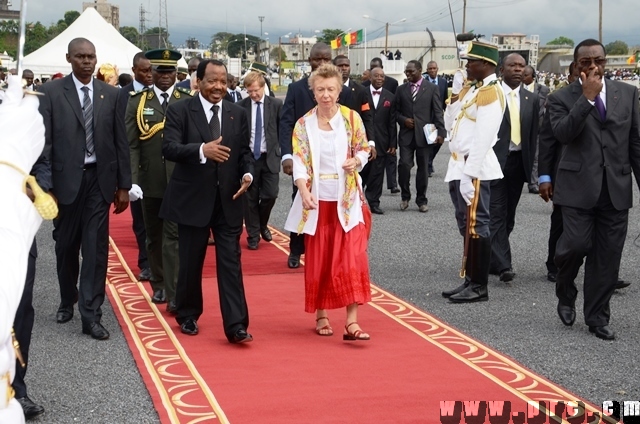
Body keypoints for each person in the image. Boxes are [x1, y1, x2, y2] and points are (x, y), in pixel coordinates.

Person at [544, 39, 640, 340]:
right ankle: (565, 288)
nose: (593, 66)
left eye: (598, 60)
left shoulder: (628, 93)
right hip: (576, 189)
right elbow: (562, 134)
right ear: (576, 66)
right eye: (586, 61)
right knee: (574, 245)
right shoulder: (560, 98)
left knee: (607, 257)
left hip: (616, 189)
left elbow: (635, 143)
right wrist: (585, 99)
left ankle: (597, 316)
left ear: (606, 61)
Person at [38, 37, 131, 340]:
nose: (87, 61)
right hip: (64, 183)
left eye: (91, 56)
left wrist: (123, 185)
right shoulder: (51, 93)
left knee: (95, 249)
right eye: (80, 56)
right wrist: (45, 186)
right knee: (66, 247)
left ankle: (91, 314)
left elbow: (121, 142)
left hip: (98, 181)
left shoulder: (111, 95)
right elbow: (45, 144)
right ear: (69, 59)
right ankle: (68, 299)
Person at [159, 59, 254, 343]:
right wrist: (202, 150)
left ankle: (236, 325)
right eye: (212, 81)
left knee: (231, 263)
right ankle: (187, 314)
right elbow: (169, 148)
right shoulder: (179, 111)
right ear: (198, 81)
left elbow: (245, 153)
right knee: (190, 261)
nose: (218, 87)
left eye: (223, 81)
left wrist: (248, 174)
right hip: (192, 199)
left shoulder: (238, 113)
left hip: (228, 200)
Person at [283, 63, 372, 340]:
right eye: (320, 89)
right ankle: (321, 313)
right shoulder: (303, 124)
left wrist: (357, 160)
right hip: (317, 201)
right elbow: (299, 161)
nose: (326, 95)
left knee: (352, 259)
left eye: (331, 89)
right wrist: (302, 188)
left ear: (339, 89)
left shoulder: (352, 119)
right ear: (313, 91)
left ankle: (352, 321)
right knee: (320, 259)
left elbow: (366, 148)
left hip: (347, 200)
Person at [126, 49, 193, 314]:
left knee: (174, 236)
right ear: (151, 73)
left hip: (179, 179)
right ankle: (159, 284)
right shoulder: (137, 102)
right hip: (149, 179)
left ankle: (175, 290)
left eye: (169, 72)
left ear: (177, 73)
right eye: (160, 72)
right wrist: (131, 180)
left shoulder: (187, 100)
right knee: (153, 235)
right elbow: (131, 145)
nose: (165, 77)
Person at [0, 75, 50, 424]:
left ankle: (16, 385)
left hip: (14, 225)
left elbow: (42, 162)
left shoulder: (16, 109)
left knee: (18, 308)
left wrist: (37, 190)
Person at [441, 41, 505, 303]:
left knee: (478, 225)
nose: (467, 65)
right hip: (458, 164)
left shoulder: (490, 92)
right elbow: (450, 124)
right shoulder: (474, 90)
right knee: (466, 224)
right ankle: (469, 279)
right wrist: (456, 95)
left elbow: (484, 137)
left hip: (473, 166)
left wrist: (470, 174)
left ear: (487, 65)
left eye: (472, 62)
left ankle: (480, 286)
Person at [279, 42, 351, 269]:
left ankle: (329, 252)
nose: (320, 63)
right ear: (308, 60)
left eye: (325, 59)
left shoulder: (342, 91)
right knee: (301, 202)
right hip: (303, 160)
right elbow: (286, 123)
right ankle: (296, 249)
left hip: (334, 162)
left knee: (335, 207)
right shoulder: (296, 89)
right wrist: (287, 156)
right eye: (316, 59)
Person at [489, 53, 539, 283]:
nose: (518, 69)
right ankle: (504, 265)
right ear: (502, 69)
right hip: (497, 161)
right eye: (513, 66)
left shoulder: (531, 99)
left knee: (509, 215)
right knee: (497, 212)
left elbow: (534, 136)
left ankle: (493, 255)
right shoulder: (491, 95)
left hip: (519, 163)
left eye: (521, 66)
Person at [117, 51, 153, 282]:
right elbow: (122, 136)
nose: (149, 75)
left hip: (159, 167)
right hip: (136, 168)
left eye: (152, 70)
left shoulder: (160, 94)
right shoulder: (123, 96)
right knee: (141, 221)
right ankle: (146, 263)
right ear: (134, 71)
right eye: (144, 71)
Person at [238, 71, 283, 249]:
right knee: (249, 198)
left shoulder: (276, 104)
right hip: (249, 158)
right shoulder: (241, 106)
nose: (253, 95)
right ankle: (253, 235)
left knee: (270, 195)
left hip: (269, 157)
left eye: (256, 90)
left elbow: (283, 130)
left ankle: (263, 223)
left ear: (263, 87)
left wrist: (284, 152)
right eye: (249, 91)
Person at [396, 60, 445, 212]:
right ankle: (405, 196)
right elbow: (395, 112)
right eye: (406, 71)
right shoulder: (401, 89)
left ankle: (421, 200)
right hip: (406, 135)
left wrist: (441, 132)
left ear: (419, 70)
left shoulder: (432, 88)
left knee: (423, 168)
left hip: (425, 135)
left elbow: (438, 111)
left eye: (411, 71)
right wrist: (404, 120)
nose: (408, 74)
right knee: (404, 165)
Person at [362, 67, 397, 215]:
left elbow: (392, 122)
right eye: (376, 76)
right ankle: (356, 202)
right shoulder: (361, 93)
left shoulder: (390, 97)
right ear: (370, 77)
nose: (379, 79)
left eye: (382, 76)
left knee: (377, 175)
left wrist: (393, 143)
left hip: (382, 140)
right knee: (361, 172)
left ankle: (374, 203)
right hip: (363, 139)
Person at [522, 65, 550, 194]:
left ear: (533, 77)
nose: (523, 77)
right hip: (520, 127)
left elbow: (543, 108)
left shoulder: (543, 90)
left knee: (535, 156)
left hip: (537, 127)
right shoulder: (516, 89)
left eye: (526, 75)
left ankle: (533, 183)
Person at [423, 61, 450, 177]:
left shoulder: (443, 82)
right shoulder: (424, 82)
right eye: (430, 69)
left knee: (439, 142)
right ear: (427, 70)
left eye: (434, 68)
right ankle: (428, 165)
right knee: (430, 141)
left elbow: (445, 98)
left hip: (439, 117)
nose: (432, 70)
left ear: (437, 69)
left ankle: (430, 160)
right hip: (428, 117)